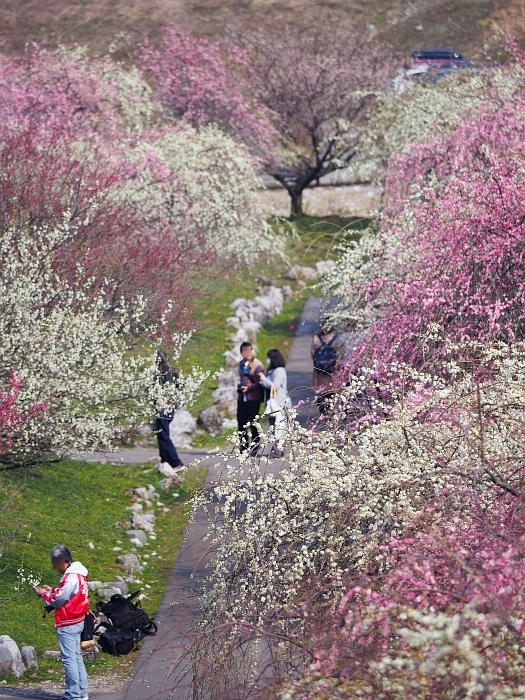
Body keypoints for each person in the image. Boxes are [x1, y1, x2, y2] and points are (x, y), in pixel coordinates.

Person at [35, 546, 89, 700]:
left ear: (62, 560)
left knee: (69, 659)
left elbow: (58, 601)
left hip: (68, 621)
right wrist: (53, 590)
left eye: (55, 561)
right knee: (76, 657)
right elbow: (68, 594)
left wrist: (44, 594)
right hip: (78, 619)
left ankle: (73, 695)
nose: (53, 565)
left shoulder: (70, 577)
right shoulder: (79, 573)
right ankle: (81, 692)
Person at [154, 350, 184, 470]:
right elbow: (180, 387)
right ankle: (164, 460)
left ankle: (176, 462)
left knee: (164, 435)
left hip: (162, 407)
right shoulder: (172, 372)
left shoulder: (160, 373)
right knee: (161, 434)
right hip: (170, 407)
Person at [258, 348, 289, 458]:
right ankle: (276, 449)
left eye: (269, 357)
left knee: (279, 427)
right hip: (272, 403)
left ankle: (278, 450)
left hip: (279, 403)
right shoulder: (271, 370)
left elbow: (274, 386)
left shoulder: (279, 371)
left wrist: (263, 379)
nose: (267, 360)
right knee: (273, 427)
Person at [237, 341, 264, 454]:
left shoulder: (257, 364)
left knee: (253, 422)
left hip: (253, 397)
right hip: (242, 398)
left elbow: (261, 381)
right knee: (241, 422)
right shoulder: (240, 364)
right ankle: (243, 446)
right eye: (244, 350)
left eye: (249, 350)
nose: (247, 353)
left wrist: (249, 388)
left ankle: (255, 445)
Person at [311, 323, 341, 415]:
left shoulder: (316, 338)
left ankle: (323, 412)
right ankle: (330, 411)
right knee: (331, 390)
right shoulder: (336, 338)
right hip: (332, 371)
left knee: (321, 392)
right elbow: (339, 354)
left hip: (319, 371)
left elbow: (312, 353)